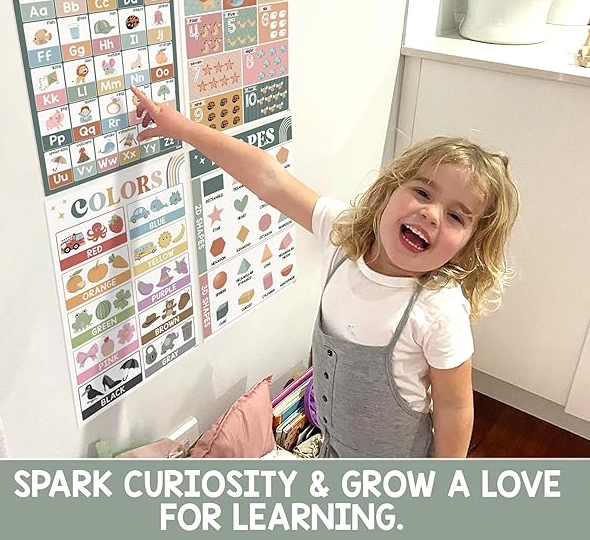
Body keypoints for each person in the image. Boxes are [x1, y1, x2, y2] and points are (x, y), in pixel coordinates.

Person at [131, 87, 519, 458]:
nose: (431, 214)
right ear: (390, 188)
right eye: (423, 192)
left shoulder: (439, 309)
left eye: (455, 217)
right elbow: (269, 178)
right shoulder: (343, 237)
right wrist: (181, 128)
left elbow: (454, 408)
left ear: (469, 245)